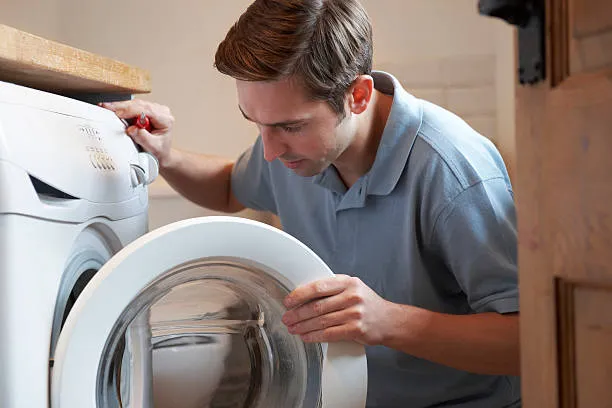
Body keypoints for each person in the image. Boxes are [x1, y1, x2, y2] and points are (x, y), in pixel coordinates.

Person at [102, 0, 521, 406]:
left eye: (290, 126)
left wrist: (388, 320)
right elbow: (232, 188)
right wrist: (167, 156)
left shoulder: (452, 171)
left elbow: (527, 341)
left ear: (357, 96)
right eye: (257, 124)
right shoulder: (296, 150)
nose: (269, 151)